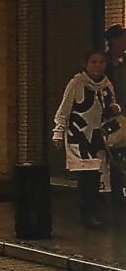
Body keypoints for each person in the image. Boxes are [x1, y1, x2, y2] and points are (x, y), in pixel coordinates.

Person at [53, 49, 117, 229]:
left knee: (98, 175)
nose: (97, 66)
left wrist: (114, 110)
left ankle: (94, 209)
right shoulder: (77, 83)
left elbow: (110, 107)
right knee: (86, 175)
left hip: (98, 136)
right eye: (93, 62)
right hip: (79, 136)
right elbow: (64, 109)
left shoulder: (106, 85)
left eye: (101, 62)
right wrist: (58, 132)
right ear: (86, 64)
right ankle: (88, 212)